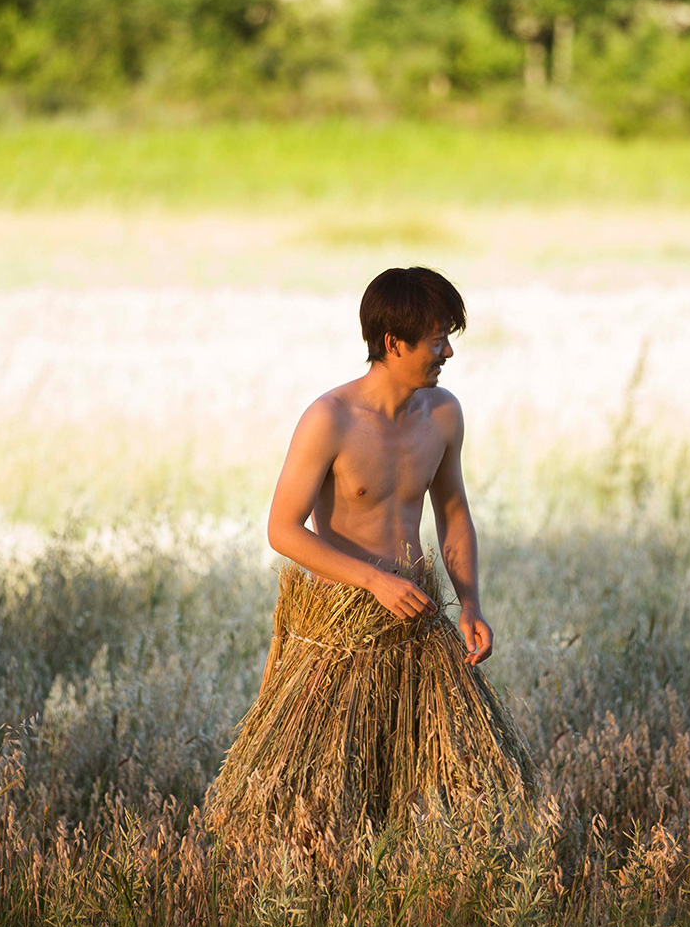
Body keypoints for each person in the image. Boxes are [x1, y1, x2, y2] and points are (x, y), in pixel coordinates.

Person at [202, 267, 535, 842]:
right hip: (340, 635)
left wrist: (470, 604)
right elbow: (282, 529)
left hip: (417, 627)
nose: (448, 352)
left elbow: (453, 512)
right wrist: (372, 581)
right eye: (437, 340)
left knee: (450, 802)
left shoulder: (443, 414)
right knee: (319, 809)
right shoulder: (329, 418)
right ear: (393, 342)